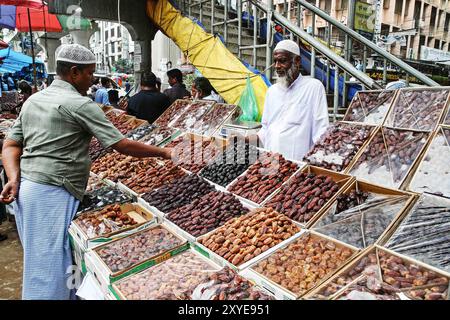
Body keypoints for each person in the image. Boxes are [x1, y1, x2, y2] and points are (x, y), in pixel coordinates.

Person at [0, 44, 172, 300]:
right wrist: (165, 153)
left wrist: (14, 177)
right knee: (51, 267)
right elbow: (121, 144)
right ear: (74, 72)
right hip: (52, 193)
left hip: (28, 189)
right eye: (90, 73)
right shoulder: (79, 104)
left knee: (41, 257)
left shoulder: (34, 100)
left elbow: (11, 145)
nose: (92, 79)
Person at [249, 40, 329, 161]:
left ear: (297, 61)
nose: (277, 66)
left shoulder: (313, 87)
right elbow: (266, 130)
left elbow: (321, 132)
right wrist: (244, 140)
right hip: (271, 165)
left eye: (282, 61)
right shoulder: (272, 91)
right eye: (275, 61)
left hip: (298, 166)